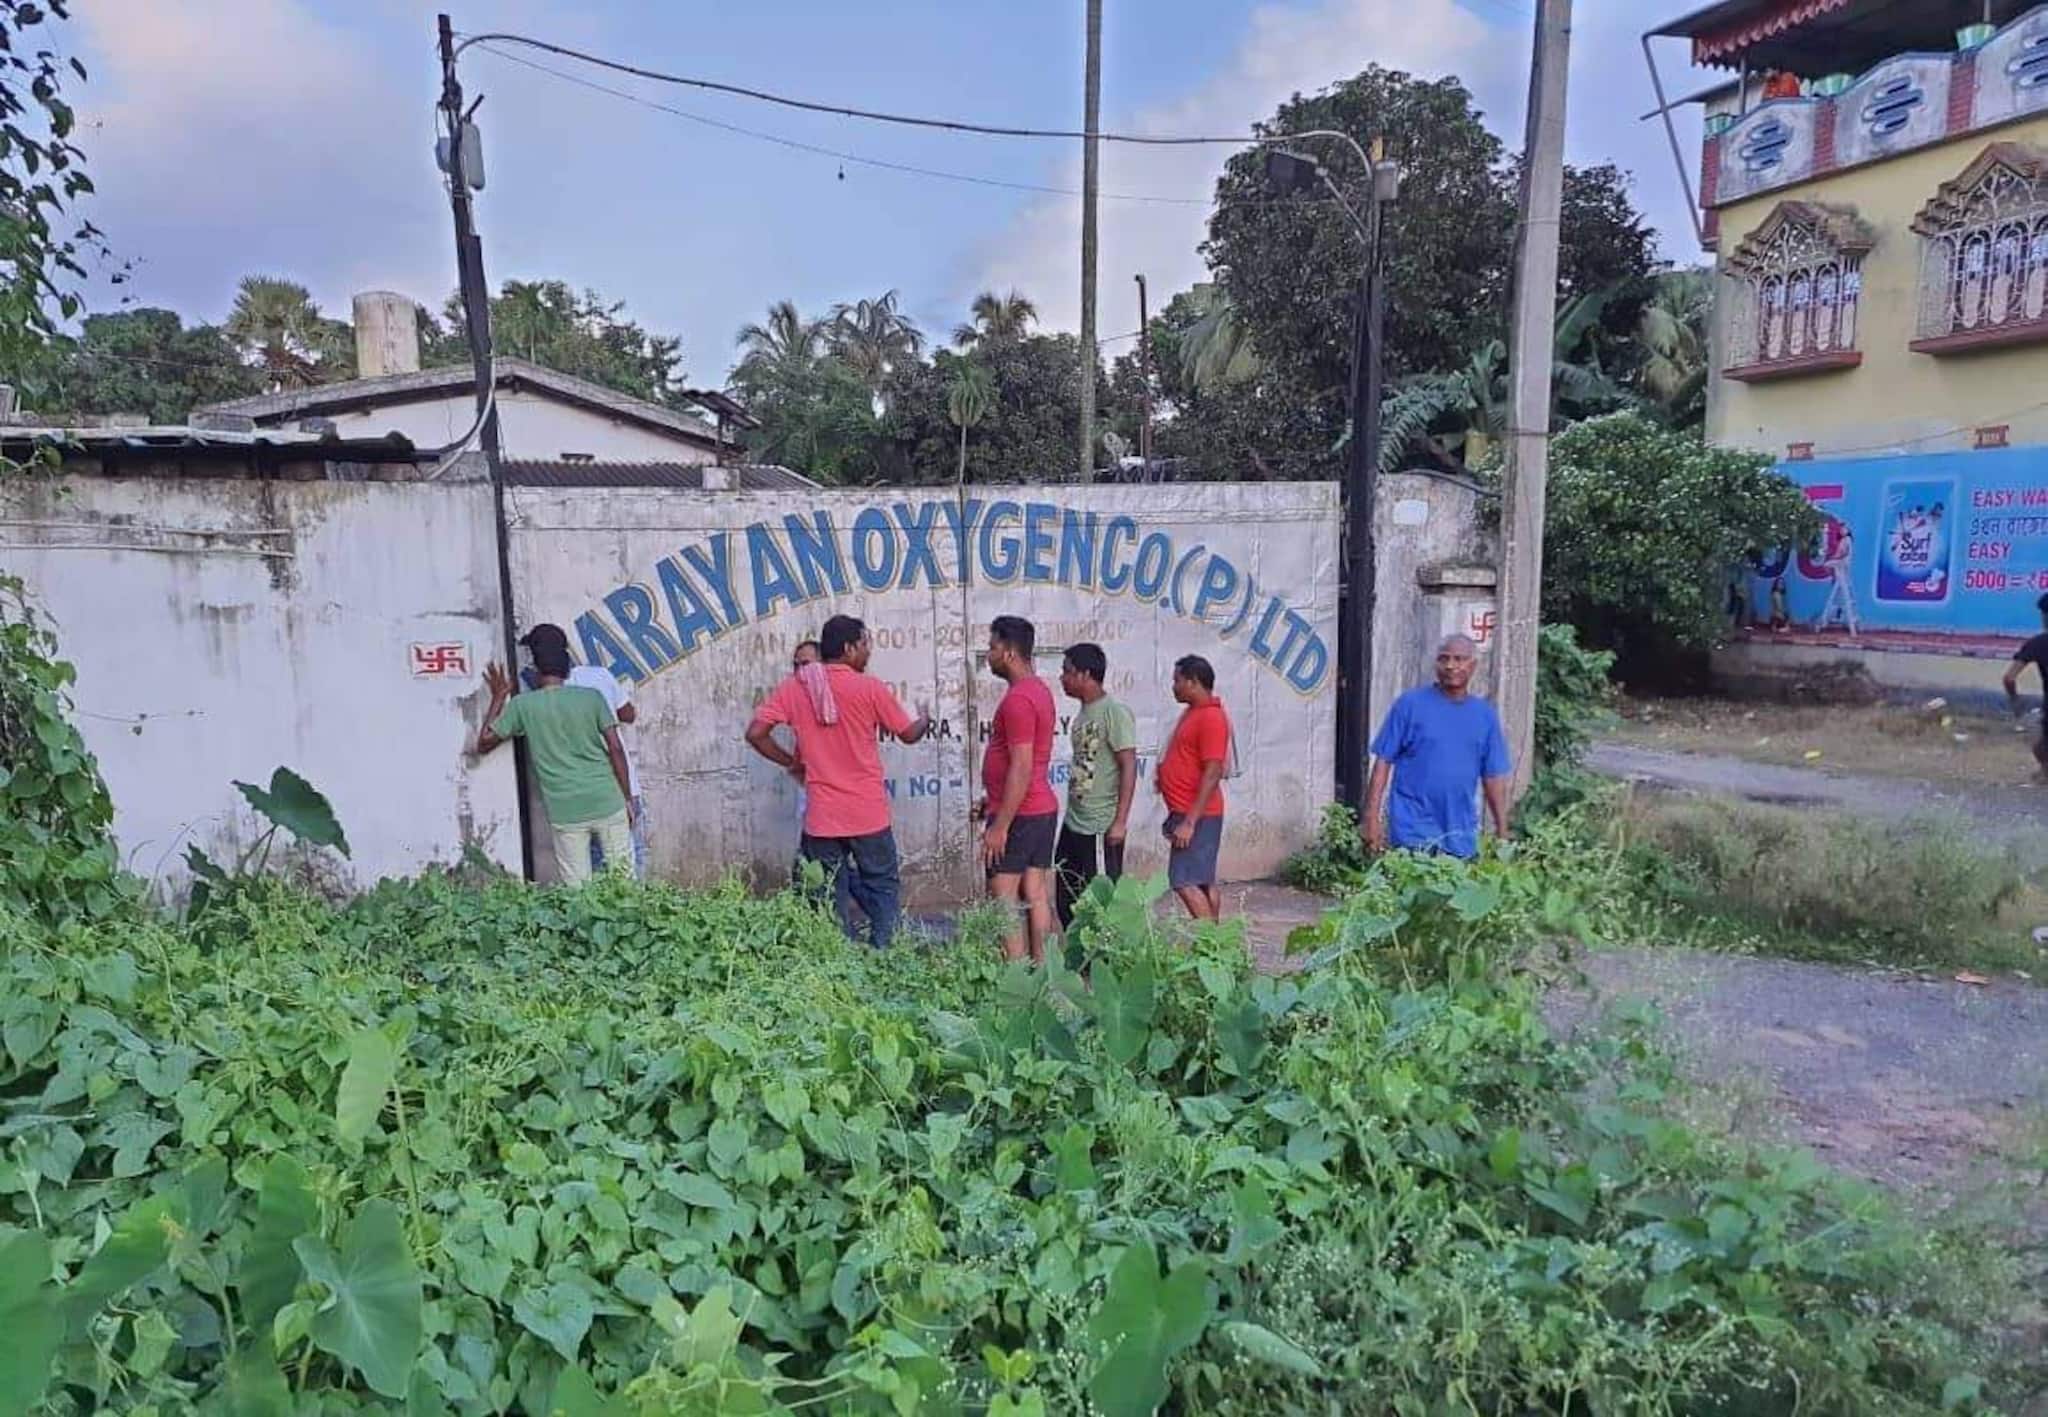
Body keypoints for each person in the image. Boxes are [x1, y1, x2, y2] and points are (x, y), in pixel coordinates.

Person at [745, 615, 930, 947]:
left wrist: (792, 763)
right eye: (864, 644)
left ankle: (839, 968)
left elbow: (756, 734)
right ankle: (886, 960)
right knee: (883, 888)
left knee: (829, 897)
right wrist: (925, 719)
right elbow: (908, 733)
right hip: (867, 814)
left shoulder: (797, 687)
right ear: (848, 649)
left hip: (823, 819)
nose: (867, 651)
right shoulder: (868, 687)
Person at [477, 637, 634, 886]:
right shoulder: (591, 698)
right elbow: (615, 749)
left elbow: (484, 743)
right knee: (623, 881)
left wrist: (499, 696)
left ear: (537, 671)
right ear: (568, 668)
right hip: (606, 799)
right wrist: (626, 797)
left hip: (565, 809)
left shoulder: (523, 705)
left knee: (576, 889)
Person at [1363, 633, 1511, 859]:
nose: (1450, 666)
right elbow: (1383, 761)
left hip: (1460, 835)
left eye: (1459, 659)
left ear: (1473, 665)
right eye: (1444, 659)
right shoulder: (1410, 705)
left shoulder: (1485, 716)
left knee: (1456, 893)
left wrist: (1502, 830)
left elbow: (1493, 777)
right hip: (1411, 831)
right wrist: (1372, 818)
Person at [517, 624, 646, 879]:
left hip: (571, 803)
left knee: (584, 879)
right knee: (627, 874)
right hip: (618, 789)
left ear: (535, 658)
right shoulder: (598, 678)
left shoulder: (532, 694)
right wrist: (628, 797)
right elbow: (628, 716)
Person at [979, 615, 1059, 963]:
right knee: (1036, 891)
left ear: (1010, 653)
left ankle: (1016, 979)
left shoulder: (1018, 701)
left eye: (993, 647)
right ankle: (1042, 972)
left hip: (1022, 814)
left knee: (1003, 893)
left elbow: (1022, 765)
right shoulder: (1038, 690)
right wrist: (992, 800)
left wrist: (1000, 825)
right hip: (1038, 808)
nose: (988, 654)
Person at [1054, 642, 1138, 928]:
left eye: (1067, 671)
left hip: (1100, 827)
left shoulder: (1114, 712)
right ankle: (1081, 960)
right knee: (1066, 894)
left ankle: (1108, 963)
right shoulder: (1082, 715)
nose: (1062, 678)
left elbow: (1128, 765)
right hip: (1075, 822)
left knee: (1103, 902)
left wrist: (1120, 822)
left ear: (1085, 674)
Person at [1156, 655, 1231, 922]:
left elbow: (1213, 772)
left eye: (1177, 681)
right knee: (1201, 880)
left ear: (1193, 682)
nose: (1173, 686)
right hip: (1189, 811)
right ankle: (1215, 943)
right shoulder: (1194, 713)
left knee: (1183, 880)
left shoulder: (1211, 718)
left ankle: (1210, 944)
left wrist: (1190, 821)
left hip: (1197, 814)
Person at [2002, 591, 2048, 780]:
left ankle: (2046, 770)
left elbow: (2009, 678)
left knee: (2037, 740)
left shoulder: (2037, 644)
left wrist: (2015, 700)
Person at [788, 639, 821, 833]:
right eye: (796, 665)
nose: (800, 670)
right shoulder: (795, 696)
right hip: (811, 787)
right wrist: (793, 763)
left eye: (806, 664)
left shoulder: (839, 696)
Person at [1820, 523, 1859, 635]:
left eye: (1844, 529)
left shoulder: (1846, 540)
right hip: (1843, 563)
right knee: (1831, 566)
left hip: (1842, 563)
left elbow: (1843, 553)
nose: (1842, 531)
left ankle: (1834, 576)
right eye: (1841, 529)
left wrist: (1834, 557)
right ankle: (1835, 577)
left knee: (1826, 564)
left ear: (1848, 530)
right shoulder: (1846, 540)